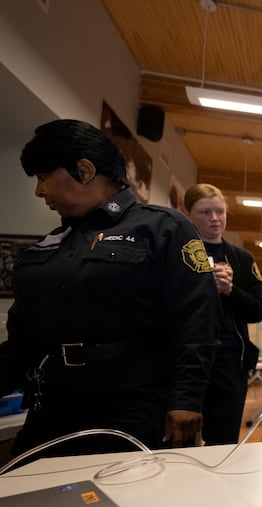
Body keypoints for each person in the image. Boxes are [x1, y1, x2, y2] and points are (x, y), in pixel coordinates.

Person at [0, 119, 220, 459]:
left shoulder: (163, 228)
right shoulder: (47, 247)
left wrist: (188, 397)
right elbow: (21, 341)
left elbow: (196, 317)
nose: (39, 191)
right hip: (56, 403)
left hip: (135, 404)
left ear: (84, 170)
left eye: (43, 177)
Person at [184, 183, 262, 445]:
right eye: (205, 211)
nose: (214, 218)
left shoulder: (241, 259)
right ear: (188, 215)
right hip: (187, 359)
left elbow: (258, 309)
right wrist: (202, 287)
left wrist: (231, 290)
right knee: (180, 438)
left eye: (220, 211)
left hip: (231, 360)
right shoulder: (178, 255)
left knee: (224, 442)